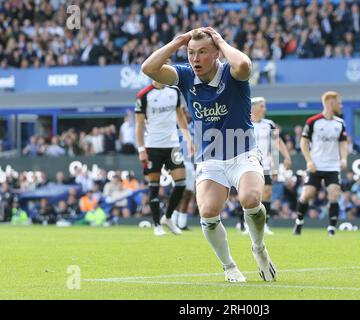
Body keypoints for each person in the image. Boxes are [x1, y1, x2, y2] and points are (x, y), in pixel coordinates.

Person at [141, 27, 276, 282]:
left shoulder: (232, 72)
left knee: (250, 198)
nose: (195, 58)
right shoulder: (184, 76)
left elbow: (245, 64)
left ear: (216, 53)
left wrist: (221, 40)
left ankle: (258, 247)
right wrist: (178, 41)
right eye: (191, 53)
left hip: (242, 152)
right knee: (208, 211)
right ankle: (229, 266)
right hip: (210, 158)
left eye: (202, 52)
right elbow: (148, 69)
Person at [135, 79, 193, 236]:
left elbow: (180, 117)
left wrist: (188, 140)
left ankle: (167, 217)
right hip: (152, 146)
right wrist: (141, 149)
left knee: (181, 184)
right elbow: (139, 124)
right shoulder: (144, 95)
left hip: (173, 145)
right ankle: (156, 225)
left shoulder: (174, 92)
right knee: (154, 185)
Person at [292, 91, 348, 236]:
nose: (340, 105)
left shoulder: (340, 123)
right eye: (338, 102)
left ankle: (331, 229)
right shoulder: (313, 121)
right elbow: (304, 142)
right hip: (316, 165)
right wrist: (309, 161)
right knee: (307, 194)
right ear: (330, 102)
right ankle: (299, 222)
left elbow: (343, 143)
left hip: (333, 166)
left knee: (334, 193)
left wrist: (344, 158)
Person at [250, 96, 292, 235]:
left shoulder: (269, 124)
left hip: (265, 164)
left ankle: (264, 225)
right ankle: (246, 224)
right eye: (262, 106)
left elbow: (277, 142)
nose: (264, 109)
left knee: (267, 193)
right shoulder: (244, 122)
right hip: (247, 164)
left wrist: (286, 156)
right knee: (250, 195)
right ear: (253, 107)